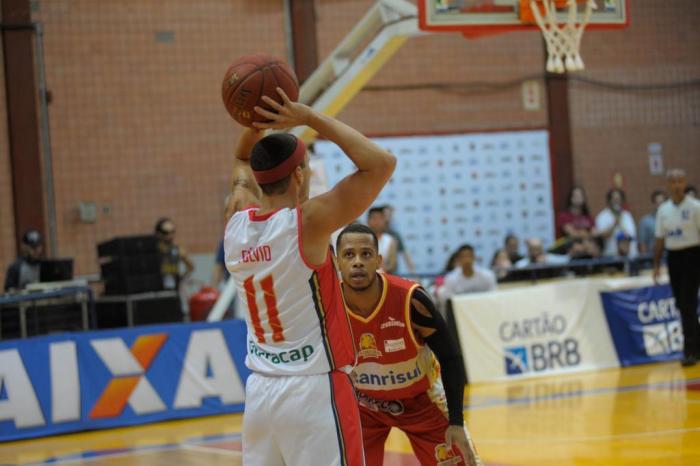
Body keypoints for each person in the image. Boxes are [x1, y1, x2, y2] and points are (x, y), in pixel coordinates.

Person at [224, 87, 396, 466]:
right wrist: (310, 118)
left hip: (259, 394)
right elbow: (381, 163)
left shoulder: (235, 221)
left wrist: (254, 124)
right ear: (300, 175)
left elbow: (240, 158)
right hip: (314, 390)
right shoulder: (308, 224)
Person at [336, 224, 480, 466]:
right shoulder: (326, 304)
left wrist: (455, 420)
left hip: (422, 402)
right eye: (349, 255)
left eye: (366, 254)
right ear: (336, 261)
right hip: (363, 406)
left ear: (379, 260)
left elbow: (450, 357)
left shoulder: (412, 300)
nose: (358, 262)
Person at [653, 169, 700, 367]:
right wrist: (656, 265)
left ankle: (691, 351)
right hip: (674, 258)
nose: (676, 185)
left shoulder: (696, 207)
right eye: (672, 182)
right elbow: (659, 239)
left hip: (694, 255)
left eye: (680, 181)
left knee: (688, 305)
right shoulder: (663, 210)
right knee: (683, 306)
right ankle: (694, 347)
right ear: (668, 185)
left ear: (684, 182)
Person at [438, 244, 496, 308]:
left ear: (474, 257)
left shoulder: (487, 276)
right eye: (463, 257)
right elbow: (448, 301)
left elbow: (493, 297)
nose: (467, 260)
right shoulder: (451, 279)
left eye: (469, 256)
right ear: (458, 260)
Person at [595, 188, 638, 257]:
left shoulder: (627, 215)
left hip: (630, 256)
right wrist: (615, 224)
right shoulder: (602, 216)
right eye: (614, 199)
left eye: (618, 199)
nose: (616, 201)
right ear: (609, 201)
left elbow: (632, 234)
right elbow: (601, 237)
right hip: (611, 257)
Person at [154, 218, 194, 291]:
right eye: (166, 232)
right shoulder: (153, 251)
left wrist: (181, 278)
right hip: (156, 290)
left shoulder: (178, 250)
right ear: (158, 234)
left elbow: (190, 267)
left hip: (173, 289)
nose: (170, 235)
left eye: (172, 232)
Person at [382, 204, 416, 274]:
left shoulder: (395, 235)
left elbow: (405, 254)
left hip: (393, 273)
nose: (387, 219)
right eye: (385, 215)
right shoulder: (372, 234)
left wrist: (414, 274)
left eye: (389, 215)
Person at [367, 206, 399, 274]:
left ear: (384, 221)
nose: (377, 222)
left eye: (380, 218)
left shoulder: (390, 240)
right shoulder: (362, 240)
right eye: (374, 218)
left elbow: (393, 264)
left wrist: (383, 269)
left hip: (384, 277)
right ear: (368, 221)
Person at [638, 190, 667, 255]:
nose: (661, 206)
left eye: (662, 203)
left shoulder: (671, 220)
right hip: (651, 258)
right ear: (653, 204)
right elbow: (642, 244)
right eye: (658, 203)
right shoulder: (645, 221)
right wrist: (645, 261)